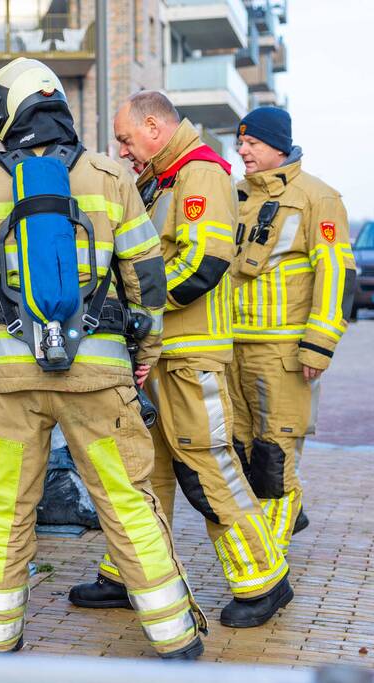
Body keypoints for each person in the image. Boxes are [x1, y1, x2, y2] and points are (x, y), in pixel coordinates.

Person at [0, 59, 205, 659]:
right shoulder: (110, 178)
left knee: (4, 510)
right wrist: (141, 353)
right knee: (124, 501)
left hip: (6, 383)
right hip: (97, 382)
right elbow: (146, 282)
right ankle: (176, 637)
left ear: (7, 113)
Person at [68, 91, 292, 628]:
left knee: (209, 466)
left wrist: (133, 306)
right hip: (162, 353)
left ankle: (264, 579)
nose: (122, 150)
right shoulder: (163, 179)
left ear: (153, 126)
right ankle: (133, 574)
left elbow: (204, 262)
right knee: (149, 469)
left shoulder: (200, 174)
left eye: (125, 138)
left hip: (191, 355)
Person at [229, 107, 356, 552]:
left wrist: (318, 347)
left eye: (252, 143)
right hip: (233, 349)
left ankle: (267, 566)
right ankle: (271, 534)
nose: (241, 150)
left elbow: (337, 272)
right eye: (239, 142)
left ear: (278, 146)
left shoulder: (318, 198)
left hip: (283, 354)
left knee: (273, 457)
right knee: (242, 455)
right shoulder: (236, 195)